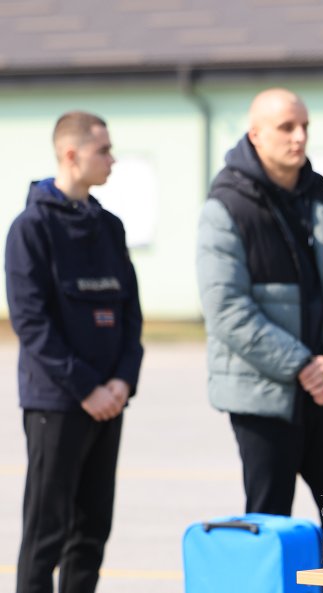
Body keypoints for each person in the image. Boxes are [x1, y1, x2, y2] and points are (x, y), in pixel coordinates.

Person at [195, 88, 323, 526]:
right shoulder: (226, 208)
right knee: (269, 522)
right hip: (264, 397)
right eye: (286, 127)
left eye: (304, 126)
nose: (299, 137)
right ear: (255, 135)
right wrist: (304, 365)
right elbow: (226, 308)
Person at [5, 111, 144, 593]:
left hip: (109, 401)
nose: (112, 158)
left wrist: (122, 381)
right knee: (47, 533)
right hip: (58, 403)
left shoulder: (109, 227)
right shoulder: (31, 228)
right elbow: (31, 322)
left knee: (91, 531)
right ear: (71, 153)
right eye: (103, 150)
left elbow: (131, 315)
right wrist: (87, 387)